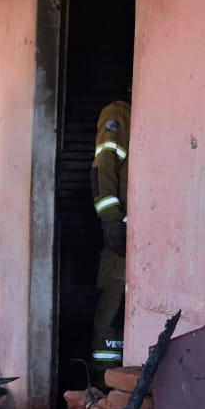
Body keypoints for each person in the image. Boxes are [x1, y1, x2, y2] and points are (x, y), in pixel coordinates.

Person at [90, 99, 131, 372]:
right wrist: (112, 220)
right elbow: (101, 171)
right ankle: (103, 382)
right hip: (122, 229)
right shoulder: (118, 114)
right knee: (114, 305)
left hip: (154, 233)